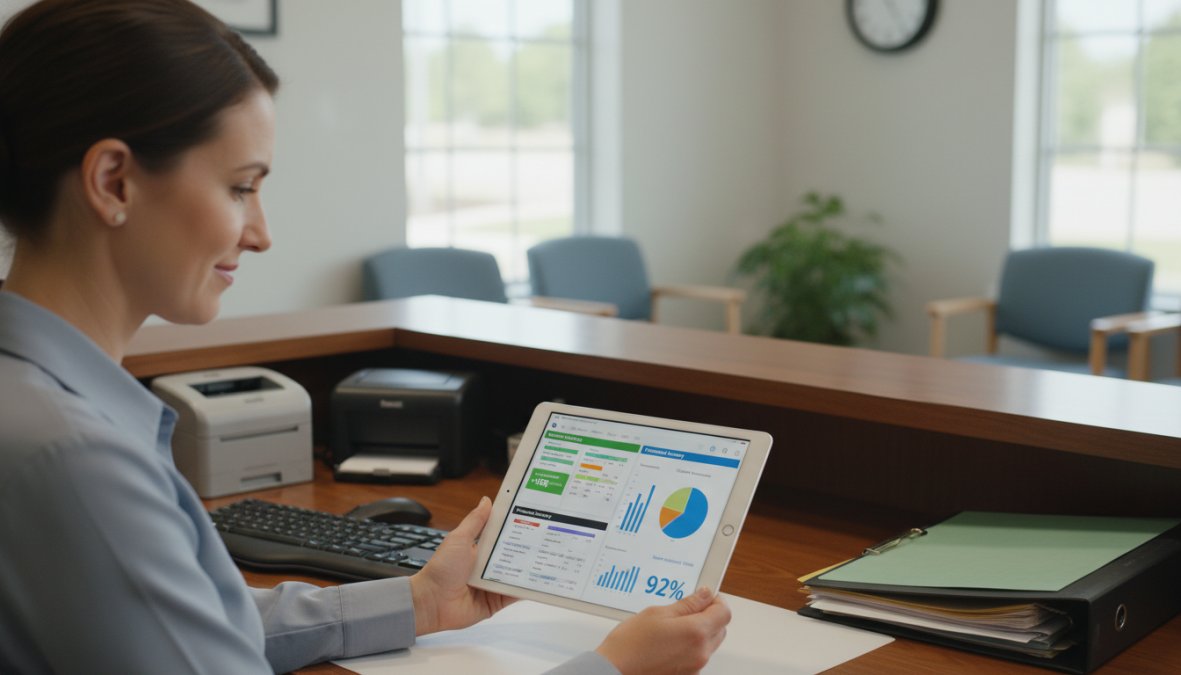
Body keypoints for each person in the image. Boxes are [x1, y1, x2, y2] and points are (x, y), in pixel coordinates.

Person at [0, 1, 732, 673]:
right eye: (240, 186)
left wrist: (417, 601)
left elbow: (189, 623)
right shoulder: (75, 455)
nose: (260, 232)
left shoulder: (36, 408)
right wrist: (612, 667)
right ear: (113, 182)